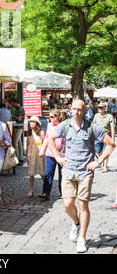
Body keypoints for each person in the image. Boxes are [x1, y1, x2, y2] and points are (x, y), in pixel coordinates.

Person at [48, 98, 115, 253]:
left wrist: (98, 161)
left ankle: (82, 239)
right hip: (68, 170)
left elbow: (111, 143)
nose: (77, 113)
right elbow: (50, 138)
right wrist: (58, 157)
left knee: (83, 205)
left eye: (80, 110)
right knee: (67, 204)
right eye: (75, 109)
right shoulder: (65, 126)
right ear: (70, 109)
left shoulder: (92, 127)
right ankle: (76, 222)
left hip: (85, 172)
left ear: (85, 110)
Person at [39, 110, 64, 200]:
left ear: (58, 117)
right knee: (48, 173)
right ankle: (46, 193)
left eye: (52, 117)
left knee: (62, 175)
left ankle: (63, 193)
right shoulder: (49, 125)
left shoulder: (63, 125)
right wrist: (43, 149)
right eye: (50, 117)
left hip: (62, 154)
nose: (51, 119)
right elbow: (46, 138)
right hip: (50, 153)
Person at [92, 101, 115, 173]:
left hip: (106, 135)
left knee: (106, 151)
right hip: (97, 136)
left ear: (105, 108)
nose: (99, 109)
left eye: (101, 107)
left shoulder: (109, 116)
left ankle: (105, 166)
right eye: (98, 107)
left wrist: (113, 138)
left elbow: (112, 127)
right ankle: (101, 160)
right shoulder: (96, 115)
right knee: (98, 151)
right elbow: (93, 125)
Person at [26, 116, 45, 198]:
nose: (31, 123)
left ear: (37, 123)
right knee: (31, 173)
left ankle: (46, 189)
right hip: (31, 153)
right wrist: (27, 155)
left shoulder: (41, 133)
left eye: (33, 122)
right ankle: (31, 190)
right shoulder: (29, 133)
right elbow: (27, 144)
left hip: (39, 153)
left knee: (42, 172)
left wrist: (43, 152)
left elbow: (45, 144)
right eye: (30, 122)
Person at [11, 99, 25, 163]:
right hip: (19, 127)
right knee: (19, 143)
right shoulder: (20, 109)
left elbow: (19, 119)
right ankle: (21, 157)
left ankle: (17, 158)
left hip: (19, 127)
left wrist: (12, 116)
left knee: (15, 142)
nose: (12, 105)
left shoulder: (20, 109)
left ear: (16, 103)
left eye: (13, 103)